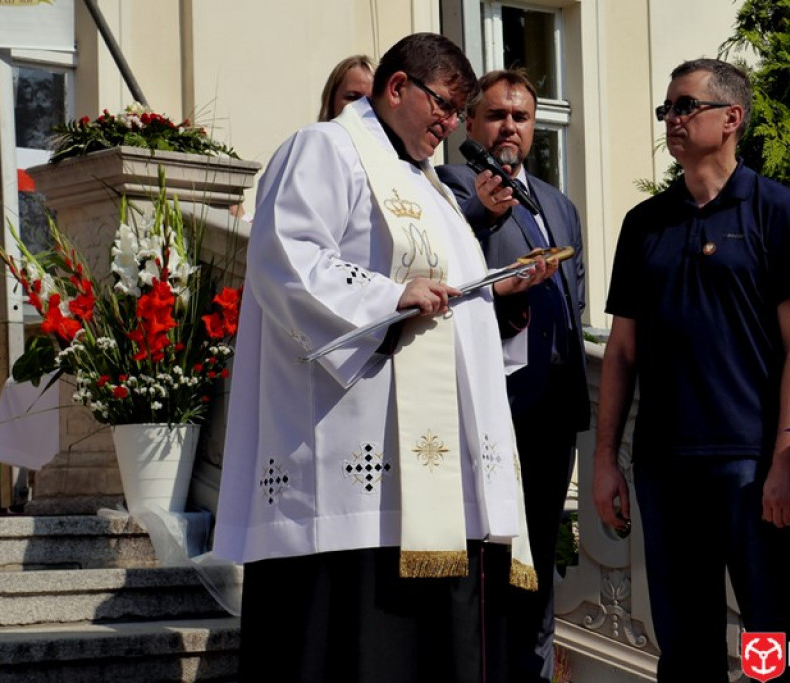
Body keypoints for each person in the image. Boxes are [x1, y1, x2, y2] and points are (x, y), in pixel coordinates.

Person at [213, 33, 558, 683]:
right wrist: (391, 294)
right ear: (397, 87)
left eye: (460, 112)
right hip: (349, 462)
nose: (453, 125)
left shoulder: (424, 184)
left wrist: (495, 292)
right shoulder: (324, 149)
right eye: (446, 105)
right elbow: (288, 262)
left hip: (435, 483)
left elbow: (446, 296)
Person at [591, 58, 790, 682]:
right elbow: (620, 353)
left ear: (731, 118)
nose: (672, 119)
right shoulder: (645, 224)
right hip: (665, 467)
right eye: (667, 108)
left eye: (685, 106)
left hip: (748, 463)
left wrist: (785, 459)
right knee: (685, 646)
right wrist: (606, 459)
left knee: (772, 639)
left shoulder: (776, 209)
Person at [437, 69, 589, 683]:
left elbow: (576, 297)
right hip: (486, 405)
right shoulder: (446, 187)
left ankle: (531, 667)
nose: (509, 127)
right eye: (497, 116)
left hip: (552, 402)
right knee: (489, 553)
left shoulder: (556, 202)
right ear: (471, 125)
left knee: (540, 550)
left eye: (521, 117)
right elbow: (442, 266)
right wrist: (481, 211)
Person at [318, 54, 374, 121]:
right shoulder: (313, 131)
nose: (365, 106)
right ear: (331, 101)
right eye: (352, 97)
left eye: (372, 101)